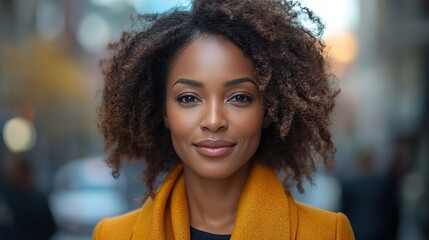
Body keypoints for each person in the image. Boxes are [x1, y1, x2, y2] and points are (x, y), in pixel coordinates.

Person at [94, 0, 355, 239]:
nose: (214, 120)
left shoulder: (327, 233)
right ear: (163, 112)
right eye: (188, 98)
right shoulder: (112, 235)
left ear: (268, 110)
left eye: (239, 97)